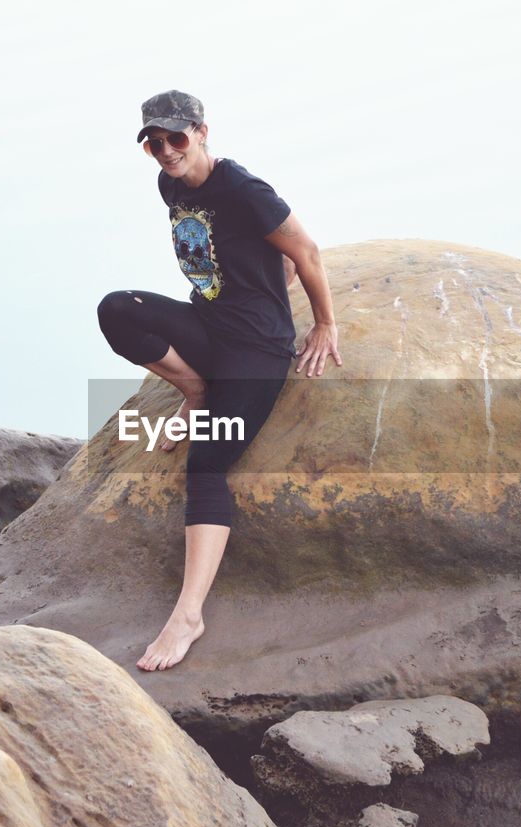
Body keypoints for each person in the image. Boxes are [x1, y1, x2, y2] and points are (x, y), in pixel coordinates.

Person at [97, 90, 341, 672]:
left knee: (206, 463)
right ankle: (196, 390)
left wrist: (324, 324)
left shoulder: (242, 188)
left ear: (202, 132)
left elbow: (304, 249)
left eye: (175, 139)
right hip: (209, 326)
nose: (165, 152)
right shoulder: (171, 187)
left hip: (256, 350)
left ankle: (188, 615)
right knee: (117, 308)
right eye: (154, 144)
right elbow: (233, 254)